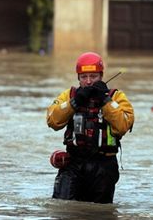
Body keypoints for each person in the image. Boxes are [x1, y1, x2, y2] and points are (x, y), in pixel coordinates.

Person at [46, 52, 135, 203]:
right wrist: (74, 102)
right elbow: (53, 120)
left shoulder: (116, 97)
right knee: (62, 207)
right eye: (84, 77)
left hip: (104, 165)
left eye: (93, 77)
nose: (88, 82)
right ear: (78, 78)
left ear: (101, 76)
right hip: (73, 163)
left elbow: (123, 125)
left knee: (99, 213)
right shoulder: (69, 95)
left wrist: (105, 100)